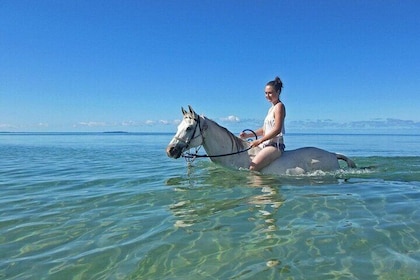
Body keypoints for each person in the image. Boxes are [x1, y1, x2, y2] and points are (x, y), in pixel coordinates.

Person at [239, 76, 286, 171]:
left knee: (253, 167)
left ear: (278, 92)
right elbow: (264, 129)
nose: (267, 95)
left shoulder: (279, 106)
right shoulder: (271, 108)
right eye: (266, 93)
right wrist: (247, 135)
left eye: (270, 93)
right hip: (265, 144)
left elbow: (277, 129)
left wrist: (259, 141)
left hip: (274, 146)